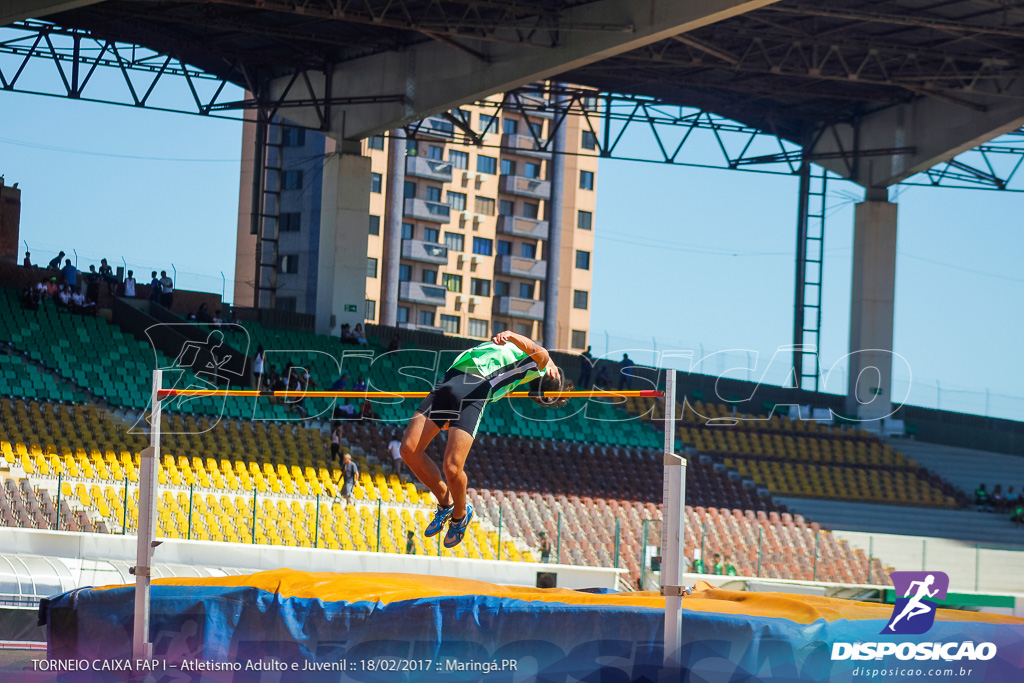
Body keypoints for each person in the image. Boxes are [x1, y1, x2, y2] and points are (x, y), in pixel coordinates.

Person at [399, 330, 573, 549]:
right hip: (450, 379)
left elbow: (540, 353)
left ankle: (460, 515)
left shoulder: (538, 363)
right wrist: (511, 335)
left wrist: (511, 336)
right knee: (408, 450)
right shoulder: (537, 359)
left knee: (452, 468)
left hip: (474, 391)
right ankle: (446, 504)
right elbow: (540, 353)